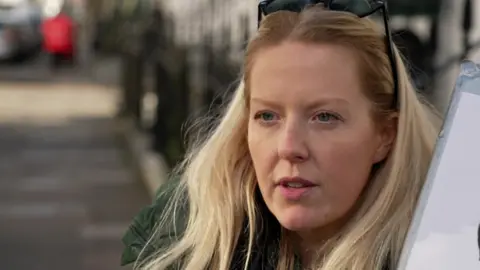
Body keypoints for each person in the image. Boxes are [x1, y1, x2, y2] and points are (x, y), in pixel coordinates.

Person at [121, 2, 440, 270]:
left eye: (324, 117)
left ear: (385, 135)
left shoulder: (443, 250)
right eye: (267, 116)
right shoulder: (181, 239)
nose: (289, 148)